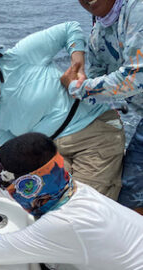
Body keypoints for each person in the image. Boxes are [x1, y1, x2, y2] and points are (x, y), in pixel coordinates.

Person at [0, 132, 143, 270]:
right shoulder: (75, 190)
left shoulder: (63, 224)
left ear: (29, 186)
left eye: (13, 184)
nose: (8, 190)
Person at [0, 22, 125, 201]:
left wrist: (78, 66)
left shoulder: (20, 56)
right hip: (52, 154)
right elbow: (14, 150)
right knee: (52, 207)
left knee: (85, 207)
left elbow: (69, 29)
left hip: (93, 134)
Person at [60, 0, 143, 214]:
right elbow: (98, 79)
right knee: (129, 192)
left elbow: (135, 77)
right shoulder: (98, 32)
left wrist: (78, 88)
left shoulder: (137, 9)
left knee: (131, 194)